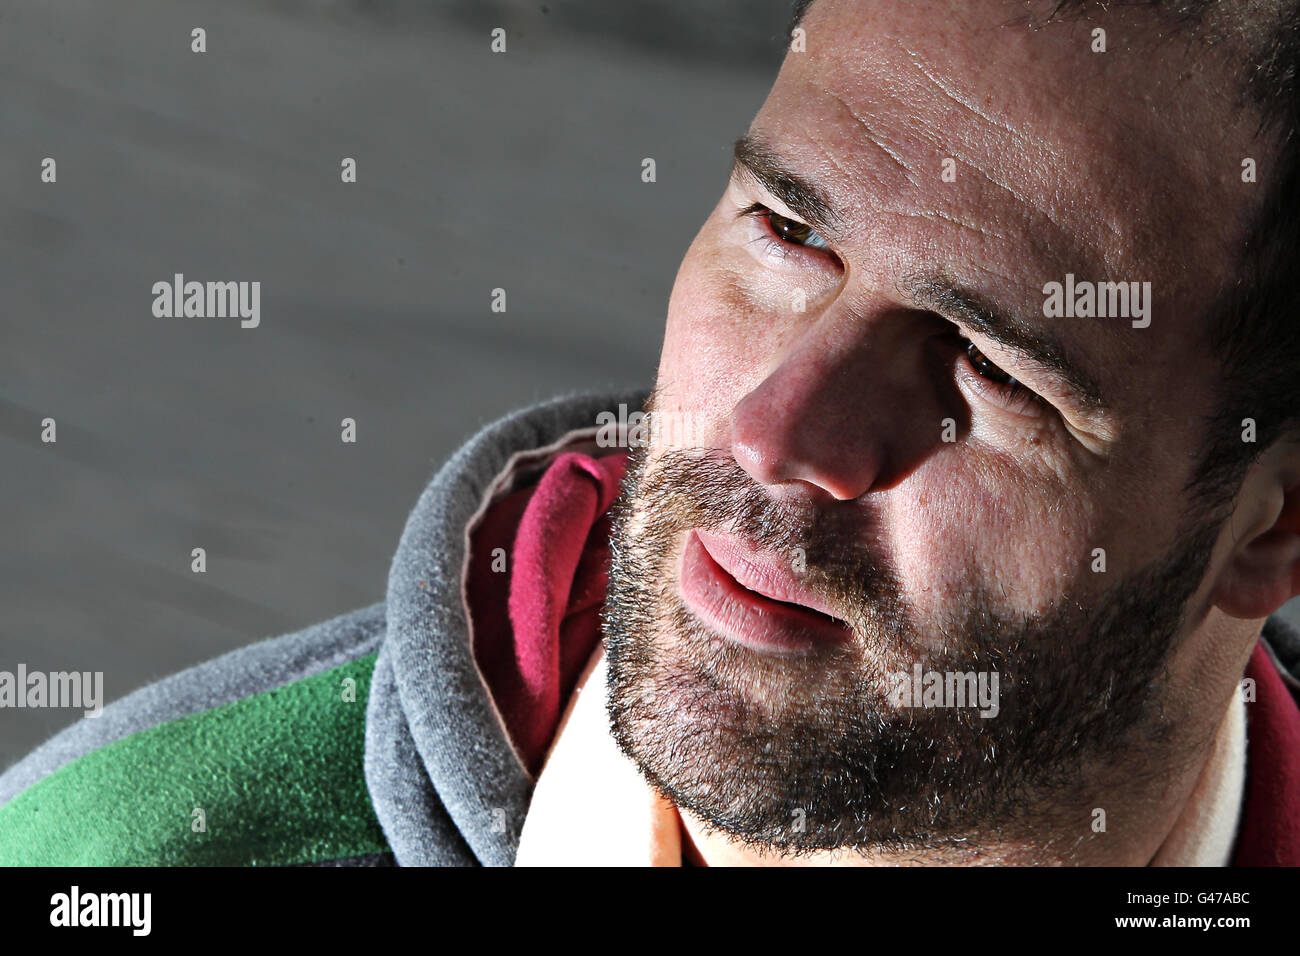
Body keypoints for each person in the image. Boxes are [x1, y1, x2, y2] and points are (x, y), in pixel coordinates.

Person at [2, 0, 1298, 866]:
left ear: (1274, 521)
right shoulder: (120, 854)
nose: (781, 433)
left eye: (999, 373)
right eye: (785, 233)